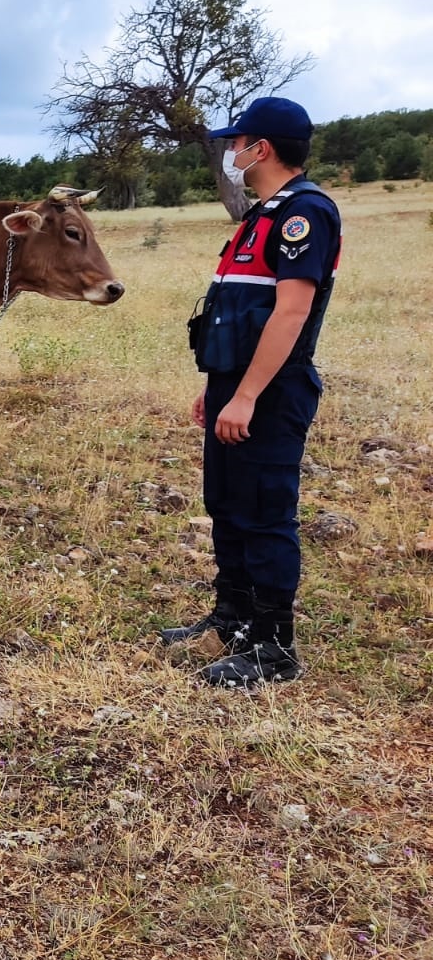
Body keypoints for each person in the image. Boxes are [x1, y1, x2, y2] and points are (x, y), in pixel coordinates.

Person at [164, 97, 341, 686]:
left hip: (272, 389)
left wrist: (247, 397)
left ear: (260, 148)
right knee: (227, 503)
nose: (231, 153)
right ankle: (232, 618)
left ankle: (273, 646)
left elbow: (290, 314)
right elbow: (238, 312)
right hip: (234, 383)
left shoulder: (304, 214)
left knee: (265, 511)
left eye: (236, 143)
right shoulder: (260, 215)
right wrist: (218, 388)